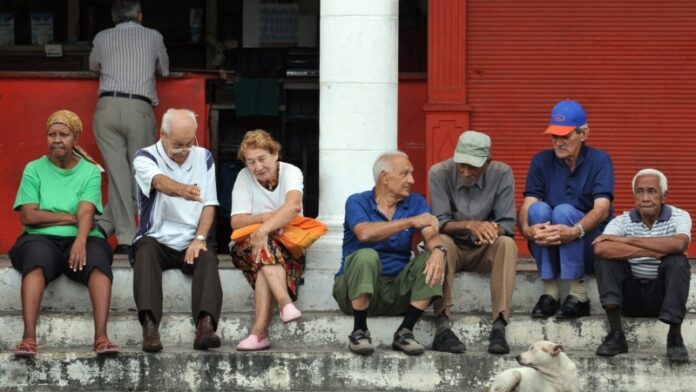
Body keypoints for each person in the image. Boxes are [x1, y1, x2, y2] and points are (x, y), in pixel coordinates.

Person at [10, 110, 118, 357]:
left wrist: (80, 241)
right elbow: (29, 216)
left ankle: (101, 336)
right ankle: (28, 338)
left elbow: (87, 211)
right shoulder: (34, 169)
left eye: (64, 134)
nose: (57, 139)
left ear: (75, 139)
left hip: (83, 236)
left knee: (99, 259)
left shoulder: (89, 171)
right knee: (36, 258)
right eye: (52, 134)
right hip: (39, 238)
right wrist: (70, 218)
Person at [333, 151, 447, 356]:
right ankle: (359, 331)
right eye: (404, 174)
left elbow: (430, 234)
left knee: (432, 258)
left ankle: (405, 332)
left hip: (395, 291)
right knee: (366, 255)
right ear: (384, 177)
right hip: (353, 292)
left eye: (411, 174)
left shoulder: (415, 202)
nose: (411, 180)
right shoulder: (357, 201)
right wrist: (410, 221)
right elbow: (364, 233)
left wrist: (439, 250)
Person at [131, 108, 222, 352]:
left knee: (208, 258)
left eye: (188, 144)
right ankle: (150, 328)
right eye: (178, 145)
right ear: (162, 135)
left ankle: (205, 327)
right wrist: (183, 190)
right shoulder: (145, 157)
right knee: (145, 252)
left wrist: (199, 238)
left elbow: (210, 203)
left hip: (190, 240)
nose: (184, 151)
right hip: (156, 237)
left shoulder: (204, 157)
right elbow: (158, 182)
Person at [519, 100, 614, 319]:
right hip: (553, 244)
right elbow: (528, 203)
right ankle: (550, 292)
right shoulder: (541, 160)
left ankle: (578, 294)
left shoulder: (600, 160)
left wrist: (575, 231)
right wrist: (526, 230)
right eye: (555, 136)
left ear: (584, 134)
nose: (559, 142)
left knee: (563, 211)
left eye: (566, 136)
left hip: (589, 245)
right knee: (538, 210)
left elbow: (602, 208)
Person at [229, 130, 323, 351]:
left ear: (275, 154)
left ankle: (259, 333)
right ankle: (284, 304)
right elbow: (236, 221)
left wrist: (263, 231)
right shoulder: (244, 176)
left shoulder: (291, 172)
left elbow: (293, 207)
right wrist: (266, 222)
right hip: (247, 247)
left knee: (266, 257)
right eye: (251, 162)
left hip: (286, 245)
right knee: (264, 248)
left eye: (262, 159)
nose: (258, 167)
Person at [90, 0, 169, 254]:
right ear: (140, 16)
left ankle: (103, 226)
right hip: (138, 109)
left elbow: (94, 66)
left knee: (119, 175)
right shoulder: (154, 36)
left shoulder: (101, 36)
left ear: (114, 18)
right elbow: (164, 70)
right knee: (139, 174)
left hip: (107, 108)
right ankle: (126, 239)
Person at [428, 130, 518, 354]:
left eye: (473, 167)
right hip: (453, 246)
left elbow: (507, 223)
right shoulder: (439, 173)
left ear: (487, 162)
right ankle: (442, 325)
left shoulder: (503, 173)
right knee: (442, 244)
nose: (465, 171)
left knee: (507, 244)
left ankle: (499, 324)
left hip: (483, 248)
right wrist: (470, 225)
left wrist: (490, 229)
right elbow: (438, 222)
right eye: (461, 164)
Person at [594, 169, 691, 362]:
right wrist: (658, 249)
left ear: (664, 196)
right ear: (634, 196)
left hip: (661, 298)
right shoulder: (621, 220)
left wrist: (627, 240)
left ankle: (674, 338)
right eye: (639, 191)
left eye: (651, 191)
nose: (645, 197)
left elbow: (680, 244)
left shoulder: (679, 216)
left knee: (677, 260)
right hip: (630, 297)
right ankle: (616, 335)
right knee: (605, 260)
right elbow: (601, 248)